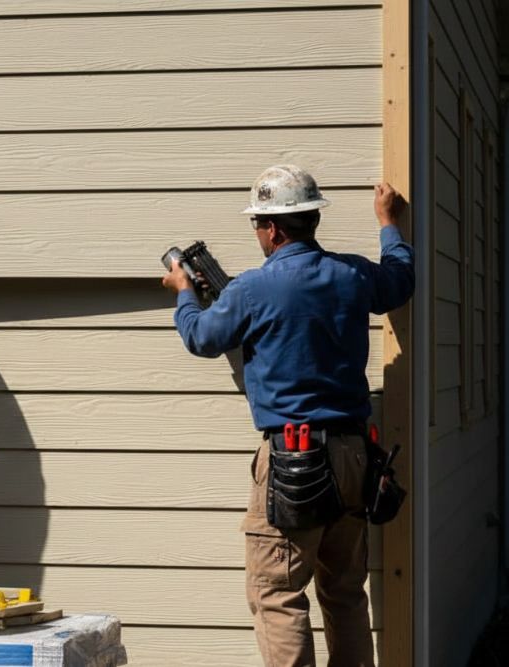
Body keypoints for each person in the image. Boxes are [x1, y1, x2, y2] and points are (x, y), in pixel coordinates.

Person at [161, 165, 414, 666]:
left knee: (278, 594)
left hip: (293, 458)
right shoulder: (352, 274)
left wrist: (184, 293)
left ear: (273, 229)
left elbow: (202, 338)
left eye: (257, 223)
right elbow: (399, 281)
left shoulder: (251, 291)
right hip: (353, 457)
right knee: (344, 593)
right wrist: (389, 223)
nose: (257, 231)